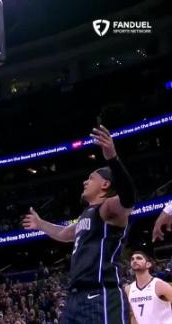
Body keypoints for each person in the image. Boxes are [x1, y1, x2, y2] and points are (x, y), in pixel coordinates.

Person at [23, 125, 136, 324]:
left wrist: (113, 158)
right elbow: (64, 233)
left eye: (91, 178)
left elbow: (129, 198)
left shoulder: (108, 208)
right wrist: (41, 224)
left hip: (100, 295)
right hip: (74, 299)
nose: (85, 182)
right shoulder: (87, 215)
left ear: (105, 184)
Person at [125, 251, 172, 324]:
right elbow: (133, 316)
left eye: (139, 258)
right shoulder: (128, 289)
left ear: (148, 264)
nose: (134, 260)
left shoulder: (160, 285)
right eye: (132, 259)